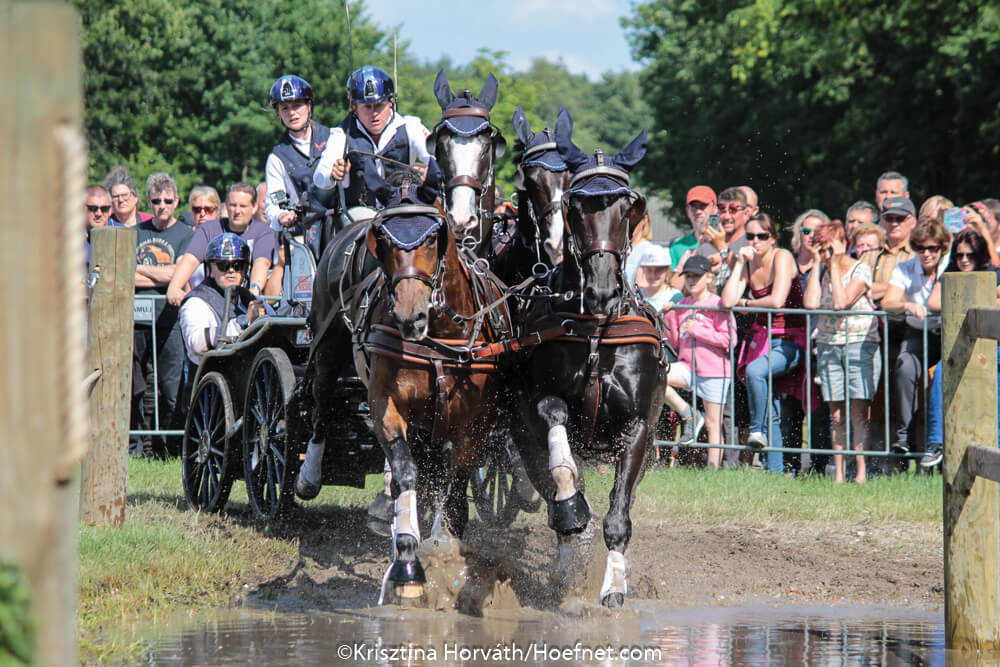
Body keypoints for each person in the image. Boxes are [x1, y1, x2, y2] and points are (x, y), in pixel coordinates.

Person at [722, 213, 806, 473]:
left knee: (755, 371)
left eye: (762, 236)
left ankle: (756, 431)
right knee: (771, 405)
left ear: (773, 238)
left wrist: (745, 303)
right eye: (750, 236)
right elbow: (727, 301)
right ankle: (776, 471)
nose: (756, 241)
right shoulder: (748, 263)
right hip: (765, 342)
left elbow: (777, 300)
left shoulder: (782, 257)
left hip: (792, 339)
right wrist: (738, 264)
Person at [804, 222, 881, 483]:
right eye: (821, 249)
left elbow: (840, 302)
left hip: (860, 343)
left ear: (842, 244)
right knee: (836, 415)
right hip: (829, 344)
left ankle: (859, 474)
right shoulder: (824, 270)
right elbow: (811, 303)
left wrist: (835, 264)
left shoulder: (861, 270)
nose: (826, 254)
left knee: (858, 413)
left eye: (829, 248)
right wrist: (817, 263)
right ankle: (837, 476)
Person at [922, 228, 1000, 467]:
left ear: (981, 256)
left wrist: (959, 300)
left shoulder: (993, 272)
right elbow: (933, 302)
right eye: (959, 255)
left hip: (993, 349)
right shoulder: (951, 273)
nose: (964, 260)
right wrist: (980, 298)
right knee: (940, 375)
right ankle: (936, 444)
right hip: (958, 350)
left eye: (970, 255)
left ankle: (996, 444)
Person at [131, 172, 195, 457]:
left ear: (176, 201)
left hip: (169, 319)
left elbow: (179, 274)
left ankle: (170, 449)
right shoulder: (135, 232)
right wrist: (166, 276)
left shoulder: (185, 234)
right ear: (148, 201)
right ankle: (139, 447)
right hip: (136, 320)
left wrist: (141, 270)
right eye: (156, 201)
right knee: (138, 387)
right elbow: (125, 276)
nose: (162, 206)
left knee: (171, 387)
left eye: (168, 201)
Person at [313, 66, 432, 214]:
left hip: (403, 209)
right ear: (354, 107)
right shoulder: (341, 134)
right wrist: (332, 173)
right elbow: (319, 176)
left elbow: (435, 158)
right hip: (358, 215)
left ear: (390, 102)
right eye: (367, 107)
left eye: (379, 105)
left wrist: (430, 171)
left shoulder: (411, 127)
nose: (374, 113)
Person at [881, 218, 951, 456]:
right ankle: (904, 438)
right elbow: (888, 302)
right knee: (904, 368)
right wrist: (908, 305)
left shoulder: (950, 266)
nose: (927, 254)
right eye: (921, 248)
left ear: (942, 248)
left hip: (947, 333)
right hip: (917, 332)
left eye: (933, 248)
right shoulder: (905, 268)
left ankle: (941, 442)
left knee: (944, 376)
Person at [662, 255, 734, 468]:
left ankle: (712, 471)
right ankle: (688, 413)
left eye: (697, 276)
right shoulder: (683, 304)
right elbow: (676, 341)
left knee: (714, 425)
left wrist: (697, 330)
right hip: (687, 366)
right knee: (657, 377)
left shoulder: (718, 303)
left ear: (709, 277)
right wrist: (670, 318)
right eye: (688, 276)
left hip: (715, 371)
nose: (692, 281)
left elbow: (729, 339)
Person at [166, 183, 276, 306]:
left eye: (243, 206)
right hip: (211, 298)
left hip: (244, 299)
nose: (237, 211)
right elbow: (190, 259)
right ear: (227, 205)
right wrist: (175, 286)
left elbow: (262, 262)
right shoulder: (209, 228)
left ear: (254, 207)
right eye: (233, 205)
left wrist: (253, 291)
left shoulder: (263, 230)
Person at [263, 74, 338, 256]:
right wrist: (281, 216)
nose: (292, 113)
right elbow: (273, 203)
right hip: (304, 234)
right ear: (278, 113)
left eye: (297, 105)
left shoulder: (334, 137)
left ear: (309, 107)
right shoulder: (277, 157)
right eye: (285, 108)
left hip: (341, 223)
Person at [179, 233, 268, 369]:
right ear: (211, 270)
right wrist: (243, 322)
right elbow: (196, 344)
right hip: (210, 378)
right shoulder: (196, 302)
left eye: (237, 265)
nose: (231, 271)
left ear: (245, 270)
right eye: (223, 265)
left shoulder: (251, 299)